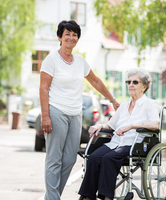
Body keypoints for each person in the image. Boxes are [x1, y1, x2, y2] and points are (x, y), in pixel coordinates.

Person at [39, 20, 120, 200]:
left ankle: (51, 197)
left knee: (69, 159)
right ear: (59, 37)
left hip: (75, 114)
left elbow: (96, 81)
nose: (71, 37)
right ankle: (53, 198)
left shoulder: (80, 61)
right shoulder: (51, 60)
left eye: (75, 34)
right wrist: (45, 116)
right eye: (67, 34)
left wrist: (112, 100)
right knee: (54, 159)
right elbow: (43, 88)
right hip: (56, 111)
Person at [78, 68, 160, 200]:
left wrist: (132, 126)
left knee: (108, 159)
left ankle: (107, 198)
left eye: (135, 82)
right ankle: (88, 197)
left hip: (135, 144)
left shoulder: (150, 104)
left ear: (144, 86)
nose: (130, 85)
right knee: (93, 158)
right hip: (116, 143)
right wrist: (99, 125)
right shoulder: (123, 106)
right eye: (128, 82)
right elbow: (110, 125)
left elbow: (155, 124)